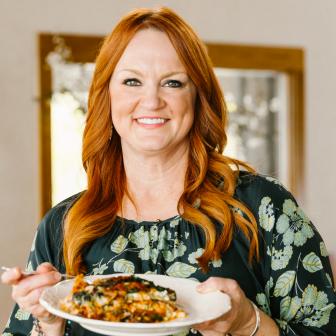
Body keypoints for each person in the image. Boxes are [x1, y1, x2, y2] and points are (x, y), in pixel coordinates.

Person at [2, 6, 336, 336]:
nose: (151, 100)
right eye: (132, 81)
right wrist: (48, 322)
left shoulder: (263, 207)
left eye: (173, 83)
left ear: (198, 97)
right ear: (107, 96)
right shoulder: (63, 225)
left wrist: (248, 322)